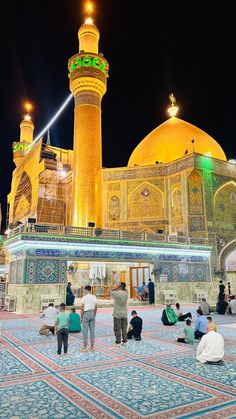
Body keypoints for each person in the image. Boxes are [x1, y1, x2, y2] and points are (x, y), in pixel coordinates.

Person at [110, 282, 128, 347]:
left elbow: (110, 291)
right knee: (124, 328)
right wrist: (120, 287)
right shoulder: (126, 293)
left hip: (117, 313)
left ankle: (118, 342)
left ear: (119, 287)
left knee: (117, 329)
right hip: (124, 313)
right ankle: (125, 341)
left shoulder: (116, 293)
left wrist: (116, 287)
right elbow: (125, 289)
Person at [80, 285, 97, 352]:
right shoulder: (94, 297)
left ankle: (84, 347)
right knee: (92, 331)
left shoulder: (84, 298)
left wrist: (81, 317)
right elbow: (96, 308)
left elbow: (82, 308)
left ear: (86, 290)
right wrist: (94, 315)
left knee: (85, 331)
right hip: (92, 313)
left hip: (86, 313)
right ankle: (92, 346)